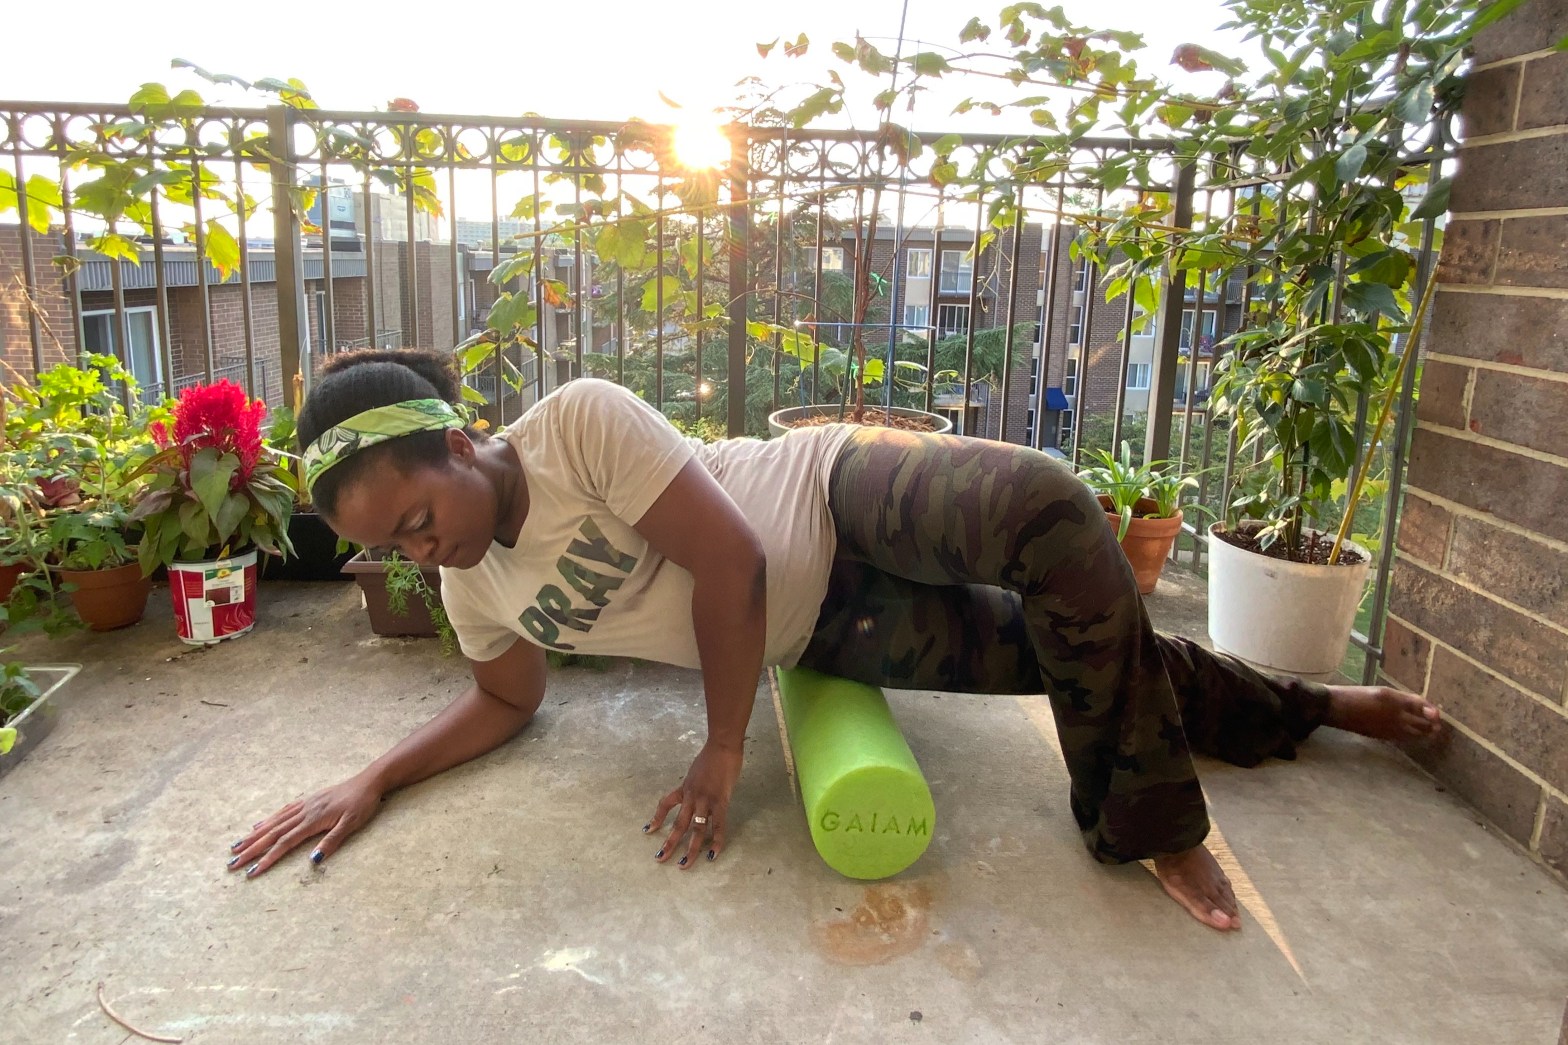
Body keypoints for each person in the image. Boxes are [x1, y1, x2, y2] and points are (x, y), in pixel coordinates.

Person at [227, 348, 1440, 932]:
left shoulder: (576, 426)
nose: (422, 554)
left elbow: (732, 560)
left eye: (419, 520)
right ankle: (1316, 705)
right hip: (836, 629)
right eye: (395, 550)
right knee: (1078, 645)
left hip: (831, 494)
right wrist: (375, 773)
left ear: (453, 444)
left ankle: (1148, 821)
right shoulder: (476, 590)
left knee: (1050, 512)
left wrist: (719, 746)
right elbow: (507, 701)